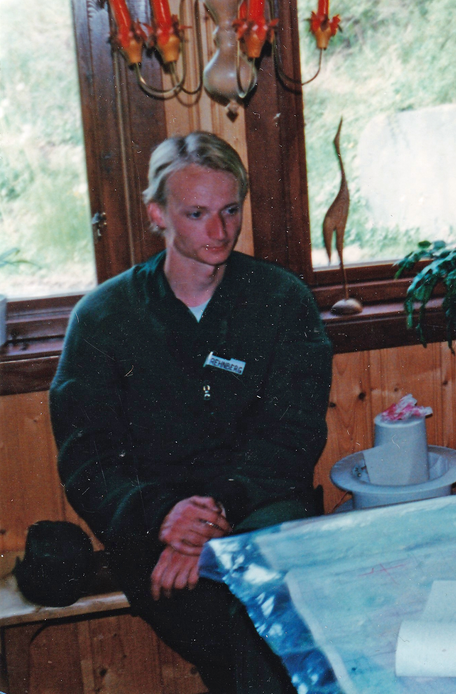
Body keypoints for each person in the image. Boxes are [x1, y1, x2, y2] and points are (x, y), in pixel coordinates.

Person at [50, 132, 333, 694]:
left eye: (231, 211)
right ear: (158, 214)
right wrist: (167, 519)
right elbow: (88, 460)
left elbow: (293, 437)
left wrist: (212, 516)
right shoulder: (105, 317)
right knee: (248, 635)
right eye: (197, 213)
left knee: (266, 615)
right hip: (152, 535)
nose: (220, 230)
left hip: (261, 513)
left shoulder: (280, 300)